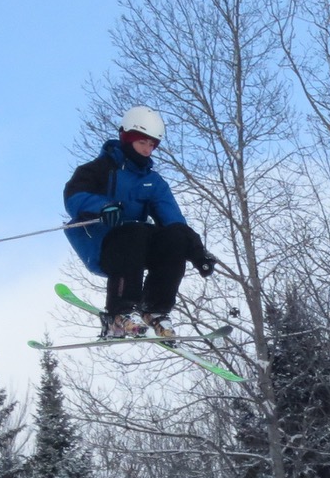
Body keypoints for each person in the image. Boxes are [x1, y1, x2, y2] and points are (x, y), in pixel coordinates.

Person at [63, 105, 218, 339]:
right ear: (127, 139)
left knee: (174, 237)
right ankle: (120, 311)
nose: (147, 151)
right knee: (133, 230)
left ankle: (155, 310)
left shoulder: (153, 182)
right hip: (102, 243)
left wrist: (197, 252)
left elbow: (174, 221)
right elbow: (74, 197)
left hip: (137, 247)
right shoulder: (99, 169)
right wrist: (103, 207)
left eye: (152, 145)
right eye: (142, 143)